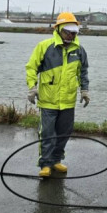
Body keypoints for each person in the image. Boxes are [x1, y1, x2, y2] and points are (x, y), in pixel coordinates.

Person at [26, 12, 90, 178]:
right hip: (48, 100)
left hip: (68, 101)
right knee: (47, 133)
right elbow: (31, 67)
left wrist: (85, 90)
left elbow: (83, 72)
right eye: (68, 31)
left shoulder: (79, 50)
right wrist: (32, 87)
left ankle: (56, 160)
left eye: (74, 32)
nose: (71, 35)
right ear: (59, 29)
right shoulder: (45, 46)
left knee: (64, 132)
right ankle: (45, 164)